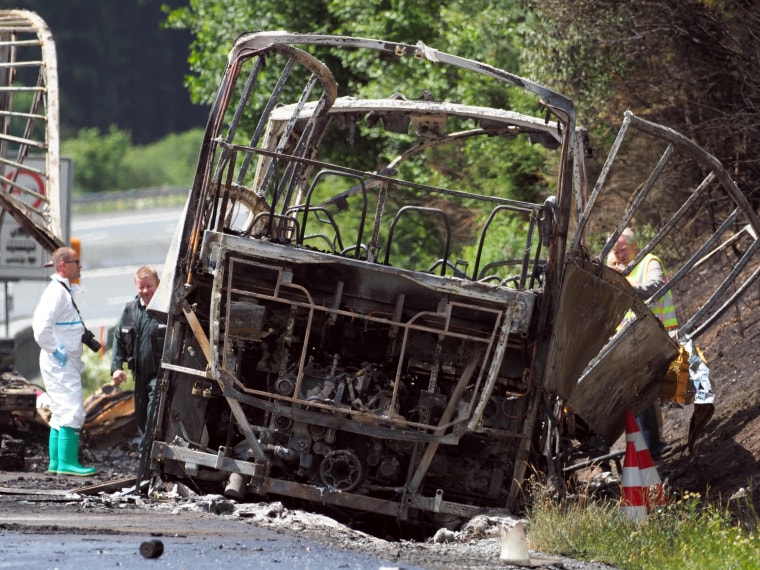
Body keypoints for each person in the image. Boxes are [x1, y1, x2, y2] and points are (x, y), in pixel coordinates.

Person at [612, 228, 677, 459]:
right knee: (639, 393)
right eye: (615, 251)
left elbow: (656, 286)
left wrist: (624, 286)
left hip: (657, 337)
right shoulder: (623, 273)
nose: (619, 255)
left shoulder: (649, 262)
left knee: (642, 391)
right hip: (636, 341)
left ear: (635, 246)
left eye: (623, 249)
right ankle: (650, 448)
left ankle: (652, 448)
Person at [32, 247, 97, 476]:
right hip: (60, 361)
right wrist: (54, 350)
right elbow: (40, 329)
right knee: (72, 409)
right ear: (63, 265)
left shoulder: (61, 290)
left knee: (60, 411)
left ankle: (57, 462)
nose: (79, 266)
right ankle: (69, 463)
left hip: (62, 360)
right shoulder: (56, 293)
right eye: (76, 262)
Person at [110, 266, 166, 450]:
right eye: (141, 287)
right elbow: (118, 338)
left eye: (149, 286)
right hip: (139, 376)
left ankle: (146, 454)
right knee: (141, 417)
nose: (145, 291)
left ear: (158, 284)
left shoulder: (167, 310)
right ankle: (148, 453)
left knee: (152, 414)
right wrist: (117, 367)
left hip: (159, 375)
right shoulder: (130, 310)